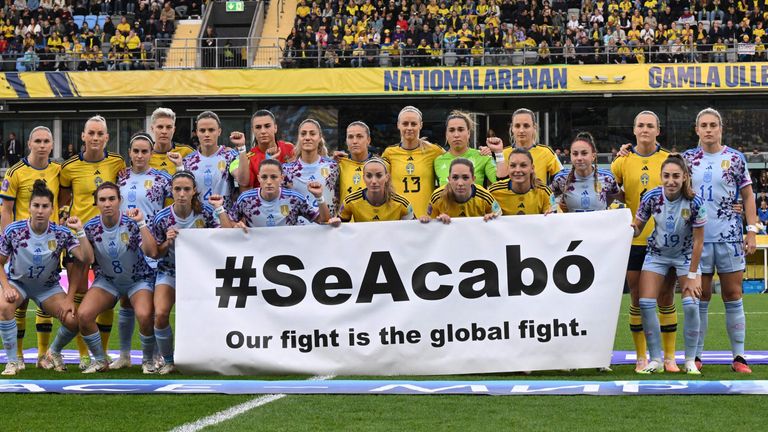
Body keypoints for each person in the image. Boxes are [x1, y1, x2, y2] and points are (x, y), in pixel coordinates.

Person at [682, 107, 757, 374]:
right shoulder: (687, 159)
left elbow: (748, 196)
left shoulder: (735, 158)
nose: (709, 129)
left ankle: (739, 357)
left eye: (713, 124)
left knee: (733, 295)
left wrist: (751, 230)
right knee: (698, 298)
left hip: (729, 237)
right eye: (704, 125)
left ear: (721, 128)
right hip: (697, 239)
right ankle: (696, 356)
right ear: (697, 130)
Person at [0, 180, 93, 375]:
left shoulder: (62, 233)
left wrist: (81, 231)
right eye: (36, 206)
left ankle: (53, 352)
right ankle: (12, 361)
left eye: (45, 206)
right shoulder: (13, 231)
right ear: (29, 207)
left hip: (48, 288)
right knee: (4, 307)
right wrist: (6, 286)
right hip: (19, 284)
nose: (40, 210)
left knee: (73, 320)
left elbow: (85, 259)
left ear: (52, 209)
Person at [611, 111, 678, 373]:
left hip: (664, 242)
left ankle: (669, 357)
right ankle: (641, 357)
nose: (645, 130)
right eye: (641, 125)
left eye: (650, 125)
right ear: (634, 130)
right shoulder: (622, 162)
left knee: (665, 296)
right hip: (634, 241)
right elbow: (607, 194)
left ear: (658, 130)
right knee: (637, 298)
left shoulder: (669, 160)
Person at [59, 115, 126, 369]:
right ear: (83, 136)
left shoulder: (117, 162)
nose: (96, 138)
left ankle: (104, 351)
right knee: (79, 294)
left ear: (107, 137)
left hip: (107, 238)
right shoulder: (69, 167)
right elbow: (64, 200)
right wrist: (66, 222)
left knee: (107, 294)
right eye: (91, 133)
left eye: (100, 134)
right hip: (78, 240)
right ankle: (83, 354)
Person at [633, 155, 706, 375]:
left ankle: (690, 360)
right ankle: (655, 359)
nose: (671, 181)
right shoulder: (652, 197)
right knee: (645, 303)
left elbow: (699, 241)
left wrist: (692, 274)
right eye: (666, 176)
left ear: (684, 177)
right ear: (661, 177)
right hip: (657, 254)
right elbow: (638, 226)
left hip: (685, 256)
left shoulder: (695, 202)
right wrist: (624, 227)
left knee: (692, 304)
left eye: (676, 176)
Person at [73, 182, 157, 373]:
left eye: (112, 199)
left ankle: (148, 361)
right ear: (96, 203)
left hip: (138, 279)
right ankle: (101, 360)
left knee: (144, 315)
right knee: (84, 316)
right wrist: (79, 233)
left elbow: (152, 251)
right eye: (102, 200)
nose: (107, 203)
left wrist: (142, 223)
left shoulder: (132, 223)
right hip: (108, 281)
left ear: (120, 201)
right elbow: (88, 259)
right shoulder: (91, 227)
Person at [0, 126, 60, 369]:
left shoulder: (58, 170)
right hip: (21, 245)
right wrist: (8, 240)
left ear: (52, 144)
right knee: (18, 303)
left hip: (49, 243)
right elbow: (5, 209)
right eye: (38, 141)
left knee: (45, 294)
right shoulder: (16, 172)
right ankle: (19, 356)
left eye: (47, 141)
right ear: (29, 144)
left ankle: (44, 356)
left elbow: (63, 200)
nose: (42, 145)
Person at [110, 132, 171, 370]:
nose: (140, 155)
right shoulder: (120, 178)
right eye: (135, 150)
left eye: (144, 151)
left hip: (151, 244)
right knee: (125, 300)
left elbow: (173, 206)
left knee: (153, 305)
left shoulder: (162, 178)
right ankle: (125, 354)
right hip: (126, 246)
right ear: (130, 153)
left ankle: (156, 354)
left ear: (151, 153)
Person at [150, 171, 220, 374]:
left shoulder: (205, 212)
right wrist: (167, 241)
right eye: (177, 189)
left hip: (200, 273)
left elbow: (225, 235)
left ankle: (208, 356)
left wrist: (221, 211)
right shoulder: (162, 218)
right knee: (161, 313)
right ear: (171, 191)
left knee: (208, 315)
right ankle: (169, 360)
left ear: (194, 191)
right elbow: (156, 253)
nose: (182, 193)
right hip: (169, 271)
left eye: (186, 189)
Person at [220, 159, 329, 228]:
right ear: (259, 178)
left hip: (288, 250)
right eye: (264, 177)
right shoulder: (245, 199)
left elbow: (323, 220)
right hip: (256, 253)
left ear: (281, 178)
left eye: (273, 177)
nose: (268, 182)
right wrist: (236, 226)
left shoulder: (294, 198)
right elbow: (229, 224)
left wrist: (319, 197)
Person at [382, 106, 444, 218]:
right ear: (398, 125)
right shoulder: (389, 153)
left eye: (414, 124)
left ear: (421, 125)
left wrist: (485, 150)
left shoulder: (434, 151)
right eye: (405, 124)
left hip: (426, 219)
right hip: (398, 219)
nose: (409, 128)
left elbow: (454, 158)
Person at [175, 111, 239, 209]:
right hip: (198, 219)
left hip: (223, 219)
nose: (207, 134)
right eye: (202, 130)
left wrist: (241, 149)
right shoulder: (187, 161)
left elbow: (243, 181)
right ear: (196, 133)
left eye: (211, 130)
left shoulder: (230, 156)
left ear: (219, 131)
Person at [486, 108, 562, 186]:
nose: (521, 130)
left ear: (534, 127)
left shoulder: (546, 152)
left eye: (526, 126)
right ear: (512, 128)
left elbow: (562, 180)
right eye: (517, 126)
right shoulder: (503, 153)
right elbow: (497, 185)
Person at [282, 119, 339, 216]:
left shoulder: (333, 166)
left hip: (327, 227)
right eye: (303, 134)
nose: (307, 137)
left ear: (320, 137)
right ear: (298, 138)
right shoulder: (286, 170)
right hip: (298, 228)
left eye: (312, 134)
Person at [329, 158, 414, 224]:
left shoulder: (403, 204)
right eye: (369, 176)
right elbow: (340, 227)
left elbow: (415, 229)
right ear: (363, 178)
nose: (373, 181)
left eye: (379, 176)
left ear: (387, 177)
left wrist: (424, 222)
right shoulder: (350, 201)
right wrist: (336, 223)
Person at [551, 132, 620, 212]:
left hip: (600, 224)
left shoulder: (607, 177)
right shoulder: (561, 178)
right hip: (572, 224)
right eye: (575, 154)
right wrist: (553, 207)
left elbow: (620, 197)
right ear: (570, 156)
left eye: (584, 153)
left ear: (593, 156)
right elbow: (547, 198)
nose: (579, 158)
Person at [421, 158, 501, 223]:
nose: (460, 183)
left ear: (473, 179)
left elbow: (500, 216)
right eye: (455, 177)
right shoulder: (437, 196)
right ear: (449, 179)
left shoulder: (485, 196)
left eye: (465, 177)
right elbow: (429, 223)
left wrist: (492, 217)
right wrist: (438, 221)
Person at [234, 110, 295, 191]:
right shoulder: (248, 159)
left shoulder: (290, 148)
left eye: (267, 126)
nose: (263, 131)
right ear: (253, 130)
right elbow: (245, 193)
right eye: (258, 127)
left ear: (275, 128)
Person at [434, 110, 496, 187]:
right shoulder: (438, 161)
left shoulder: (483, 156)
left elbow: (500, 184)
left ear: (469, 133)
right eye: (451, 130)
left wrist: (498, 154)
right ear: (446, 135)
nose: (456, 135)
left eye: (460, 130)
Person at [488, 148, 552, 215]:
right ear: (508, 168)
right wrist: (487, 215)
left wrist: (551, 216)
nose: (517, 170)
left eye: (523, 165)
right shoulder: (494, 191)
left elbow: (554, 219)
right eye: (513, 166)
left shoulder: (544, 191)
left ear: (532, 168)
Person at [149, 107, 195, 175]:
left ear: (174, 130)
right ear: (152, 129)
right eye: (160, 127)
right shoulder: (144, 154)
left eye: (168, 127)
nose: (164, 131)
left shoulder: (187, 152)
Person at [338, 121, 377, 202]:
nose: (354, 141)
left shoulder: (382, 165)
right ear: (346, 141)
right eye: (350, 137)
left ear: (368, 140)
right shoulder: (338, 164)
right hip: (344, 214)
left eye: (359, 136)